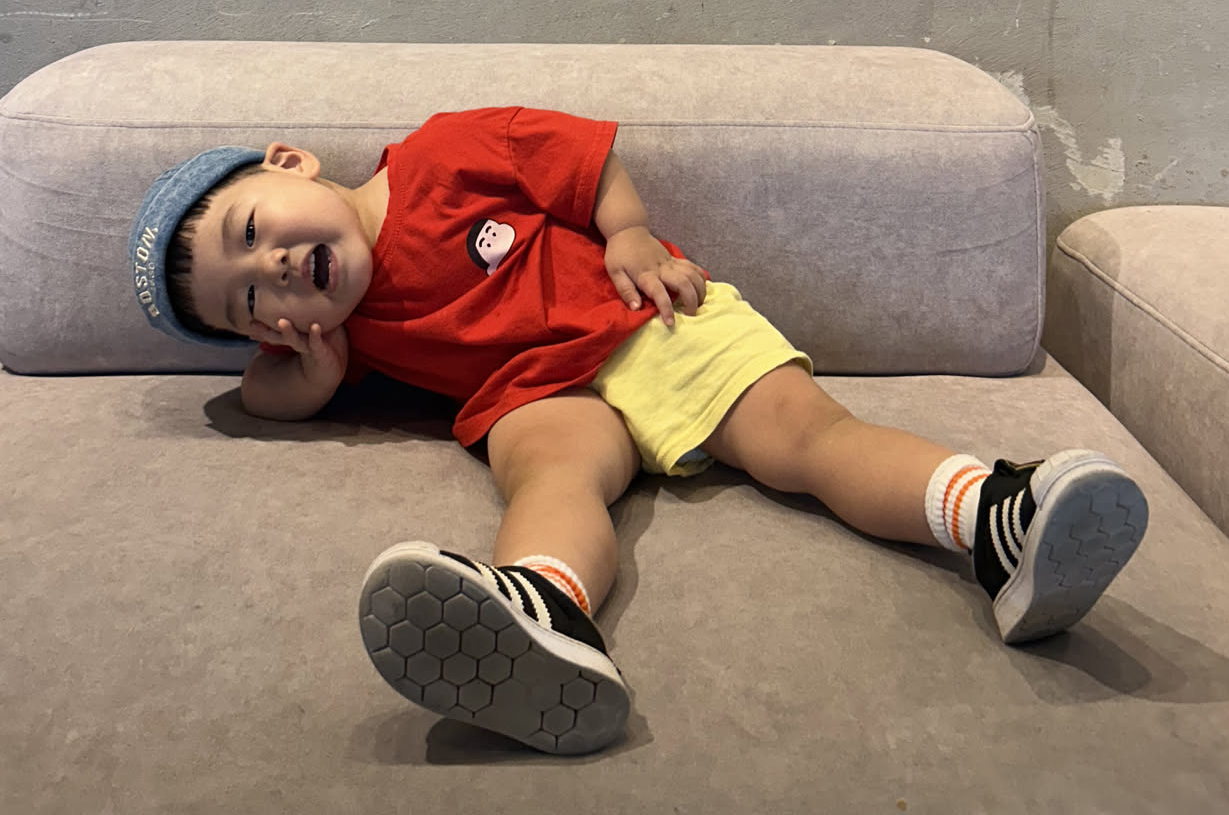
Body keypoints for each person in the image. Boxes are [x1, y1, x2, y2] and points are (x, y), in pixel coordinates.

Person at [129, 108, 1149, 757]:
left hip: (645, 319)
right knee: (552, 481)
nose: (271, 275)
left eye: (251, 232)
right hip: (533, 395)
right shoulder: (335, 334)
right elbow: (259, 401)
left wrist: (627, 233)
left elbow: (581, 158)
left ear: (290, 162)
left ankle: (995, 516)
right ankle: (543, 612)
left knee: (809, 439)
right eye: (246, 305)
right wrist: (314, 370)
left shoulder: (441, 152)